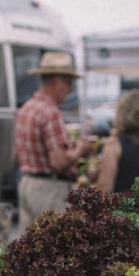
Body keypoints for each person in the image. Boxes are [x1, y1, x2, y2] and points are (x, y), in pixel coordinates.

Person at [13, 51, 93, 232]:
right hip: (49, 188)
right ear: (57, 81)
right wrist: (80, 150)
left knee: (30, 248)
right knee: (56, 248)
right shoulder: (51, 112)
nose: (71, 89)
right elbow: (58, 162)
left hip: (26, 184)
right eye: (69, 83)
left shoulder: (25, 109)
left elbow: (16, 157)